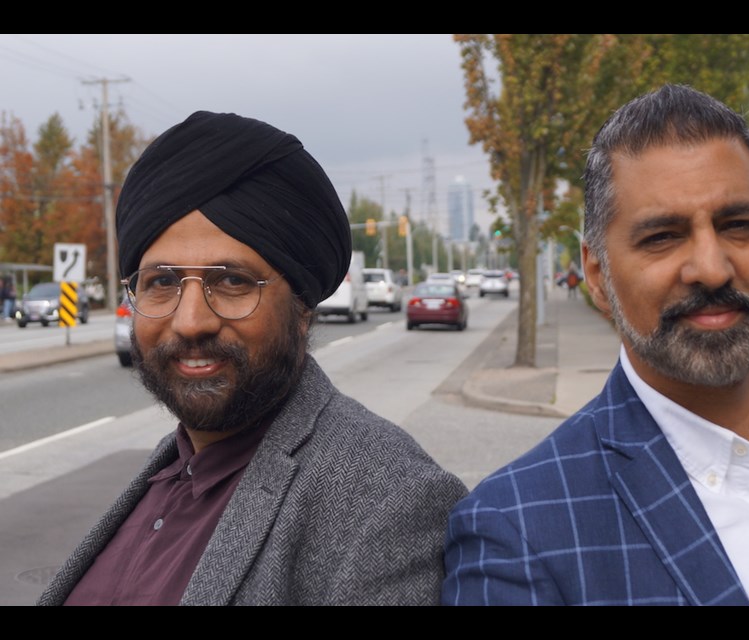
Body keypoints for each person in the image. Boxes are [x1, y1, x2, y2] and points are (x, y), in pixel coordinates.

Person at [442, 85, 749, 606]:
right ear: (597, 274)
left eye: (737, 225)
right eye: (662, 236)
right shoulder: (516, 533)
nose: (711, 268)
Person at [37, 111, 467, 606]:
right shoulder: (175, 467)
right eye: (162, 282)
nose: (191, 320)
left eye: (233, 281)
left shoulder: (387, 503)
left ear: (302, 309)